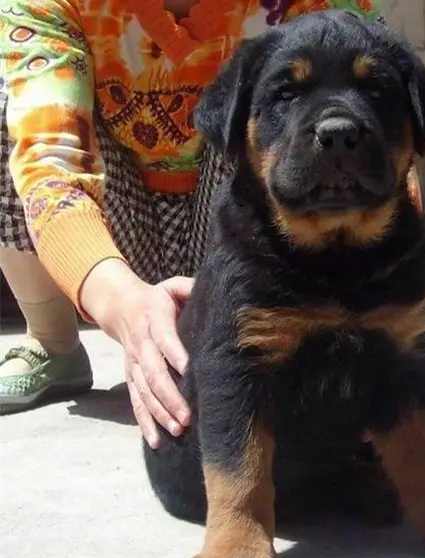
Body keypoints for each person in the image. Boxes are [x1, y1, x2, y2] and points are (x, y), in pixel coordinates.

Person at [0, 0, 383, 446]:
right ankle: (52, 340)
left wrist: (376, 334)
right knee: (15, 111)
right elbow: (50, 163)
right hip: (118, 220)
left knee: (270, 122)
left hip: (239, 224)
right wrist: (123, 304)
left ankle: (320, 340)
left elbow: (383, 137)